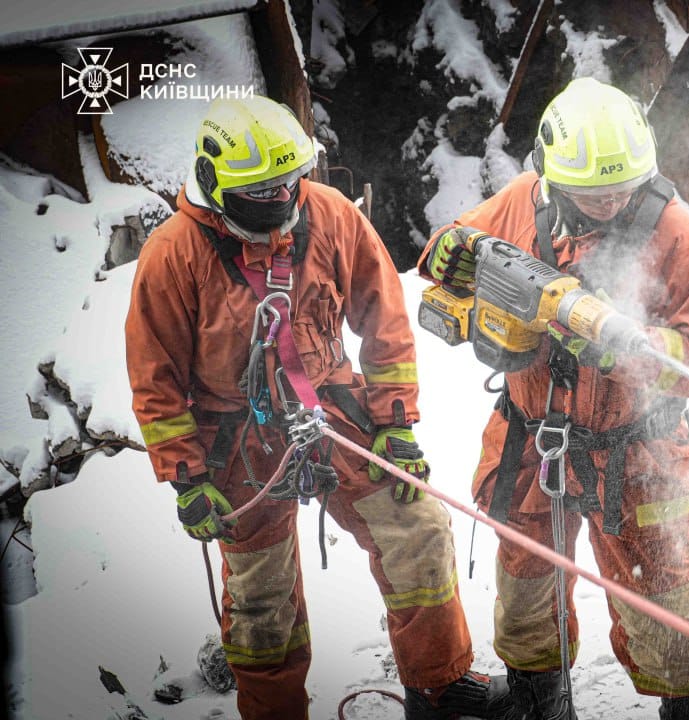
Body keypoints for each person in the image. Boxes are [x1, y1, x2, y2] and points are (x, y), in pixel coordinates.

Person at [125, 95, 511, 720]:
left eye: (288, 183)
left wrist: (395, 426)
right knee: (260, 598)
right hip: (236, 438)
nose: (281, 199)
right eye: (262, 191)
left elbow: (384, 322)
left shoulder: (328, 213)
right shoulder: (174, 254)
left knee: (416, 531)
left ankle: (441, 687)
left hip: (333, 409)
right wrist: (186, 477)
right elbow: (155, 375)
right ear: (214, 181)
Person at [418, 77, 689, 720]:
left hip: (636, 451)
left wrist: (638, 350)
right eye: (594, 192)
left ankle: (685, 705)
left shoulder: (676, 229)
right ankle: (537, 704)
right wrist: (452, 252)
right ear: (552, 176)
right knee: (525, 581)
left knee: (662, 598)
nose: (610, 202)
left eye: (622, 189)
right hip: (530, 434)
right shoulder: (525, 200)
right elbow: (440, 254)